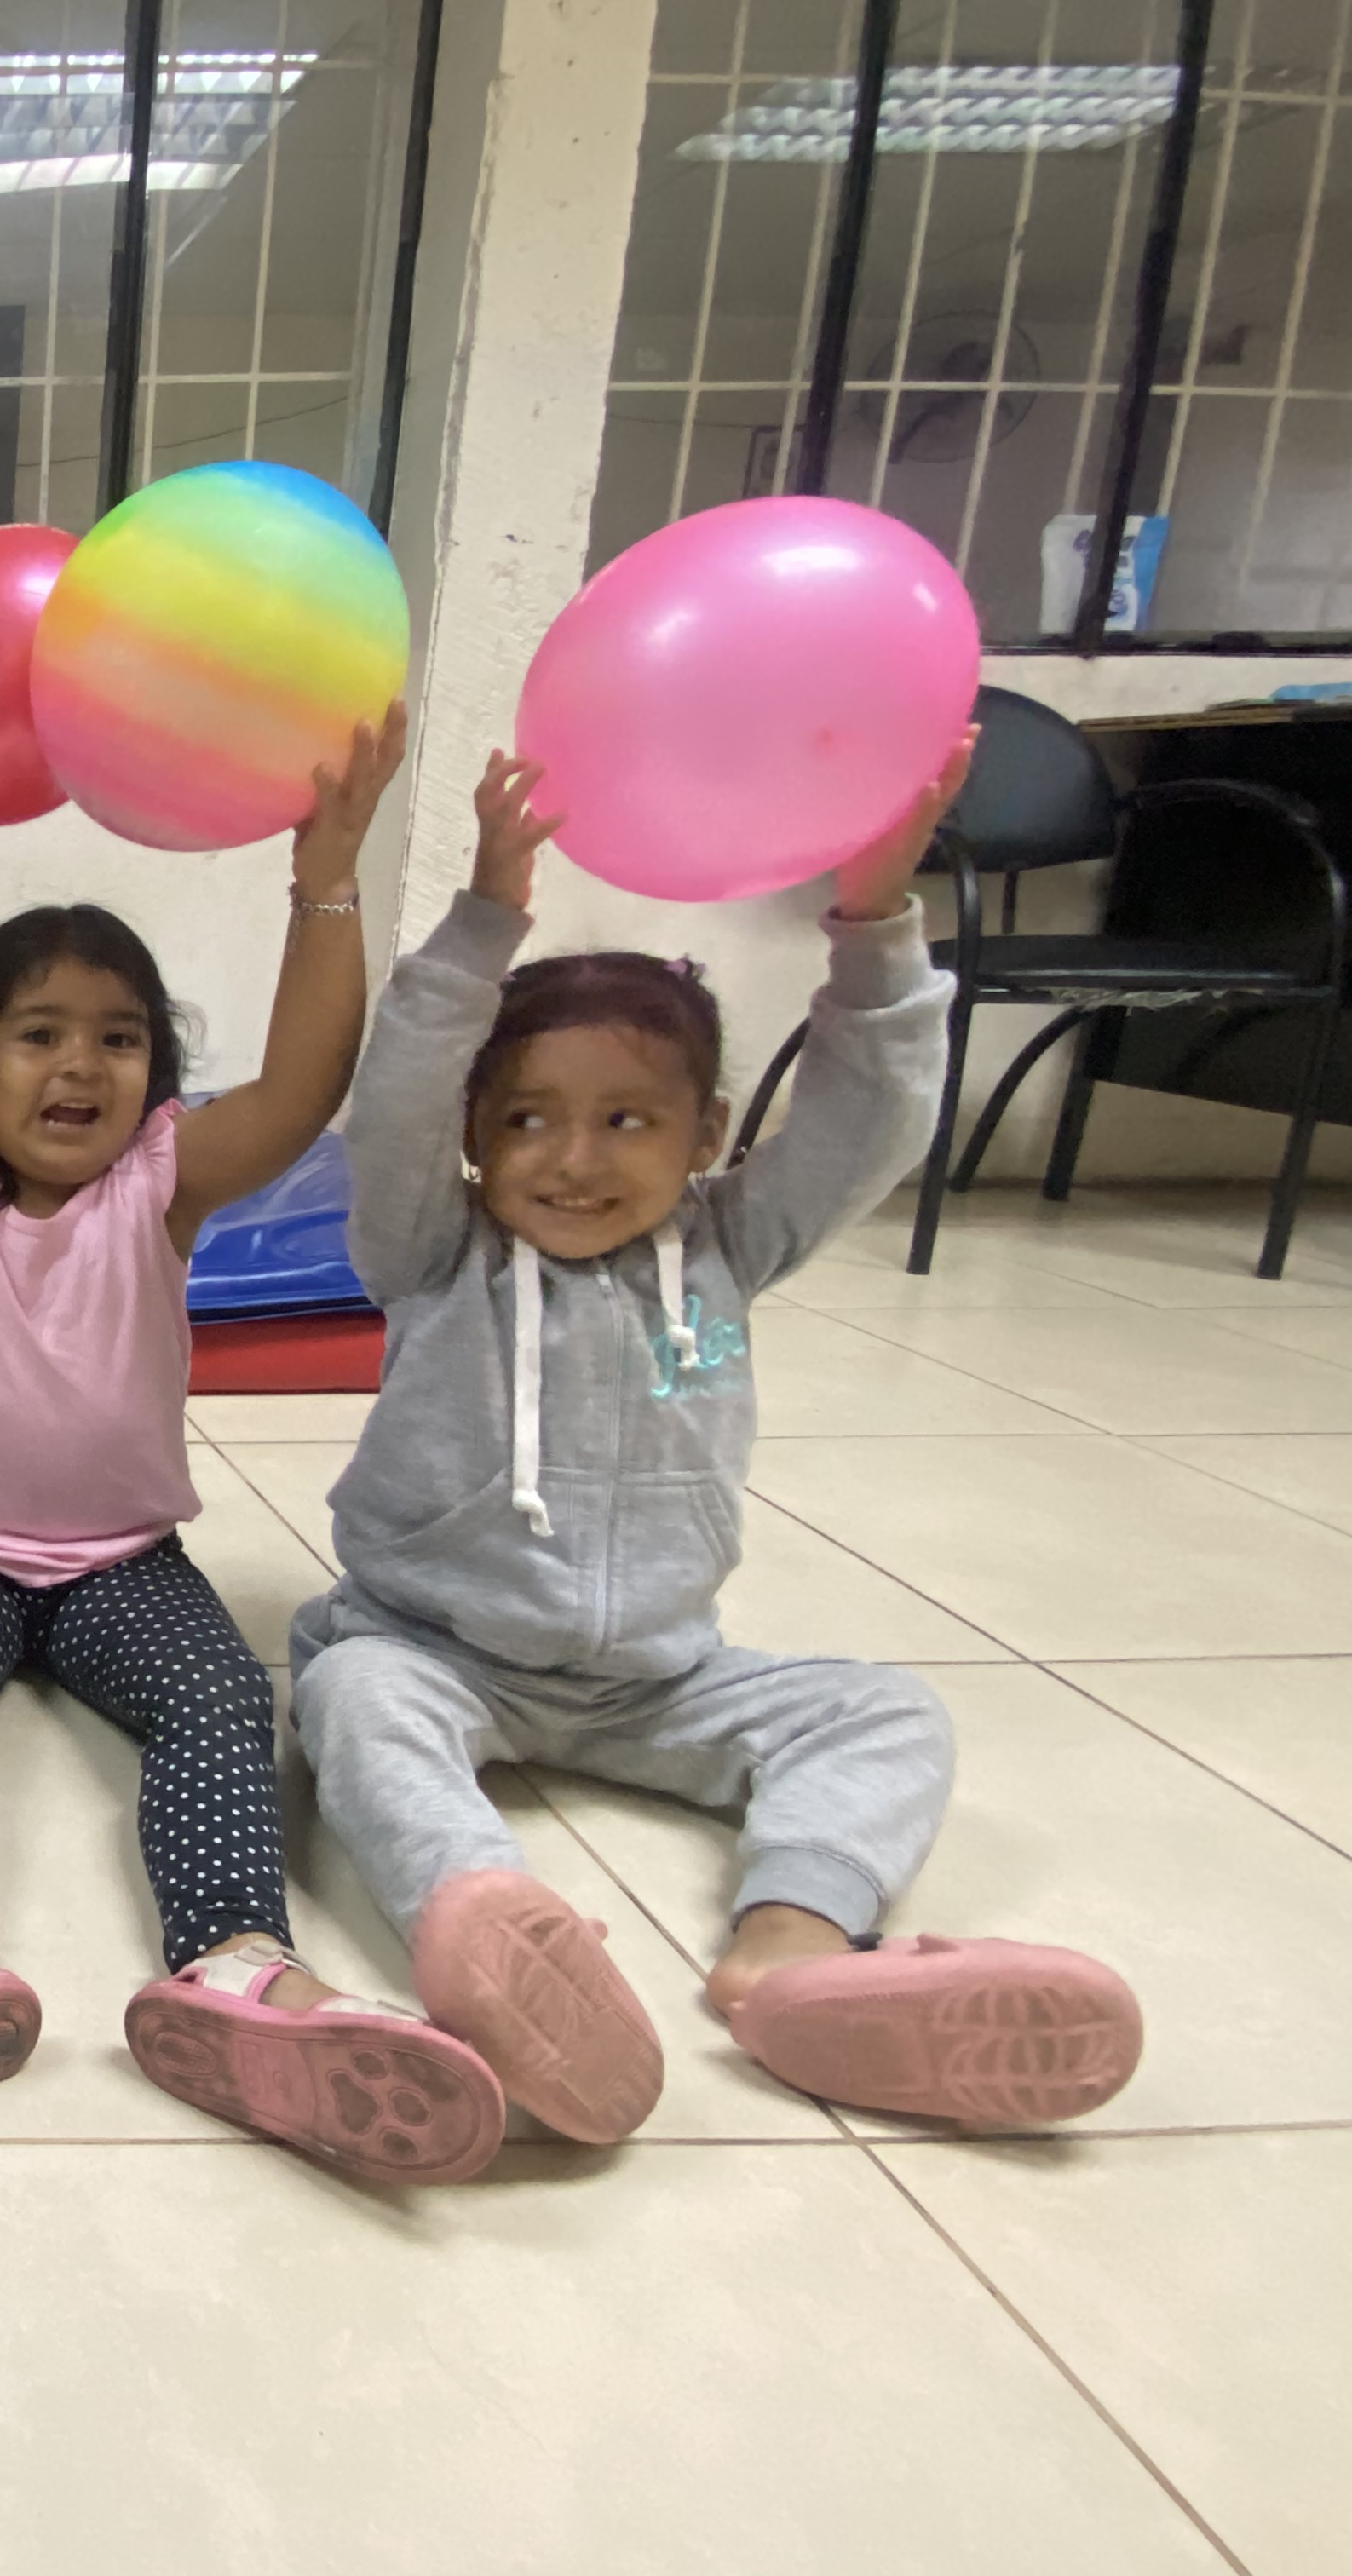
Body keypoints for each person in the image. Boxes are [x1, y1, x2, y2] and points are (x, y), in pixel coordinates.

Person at [287, 739, 1142, 2148]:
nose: (571, 1158)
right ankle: (490, 1924)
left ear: (705, 1137)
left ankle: (792, 1953)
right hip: (436, 1647)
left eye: (625, 1120)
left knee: (887, 1711)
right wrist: (483, 917)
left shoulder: (734, 1246)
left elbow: (871, 1114)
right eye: (525, 1120)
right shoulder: (432, 1247)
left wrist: (876, 916)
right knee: (352, 1704)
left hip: (661, 1676)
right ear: (474, 1133)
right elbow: (389, 1105)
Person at [0, 676, 505, 2187]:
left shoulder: (162, 1181)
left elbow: (302, 1087)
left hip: (123, 1559)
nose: (81, 1065)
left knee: (220, 1703)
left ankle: (236, 1962)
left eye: (119, 1038)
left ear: (153, 1073)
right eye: (37, 1035)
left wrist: (325, 883)